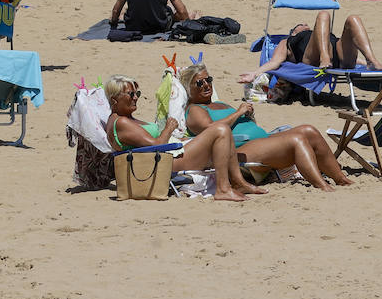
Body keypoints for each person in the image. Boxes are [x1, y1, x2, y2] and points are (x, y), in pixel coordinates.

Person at [180, 64, 351, 190]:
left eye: (208, 80)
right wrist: (238, 113)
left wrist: (248, 116)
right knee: (297, 139)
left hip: (260, 141)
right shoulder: (195, 109)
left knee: (309, 130)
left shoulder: (220, 104)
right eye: (199, 83)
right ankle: (322, 185)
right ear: (189, 89)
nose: (206, 85)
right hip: (238, 151)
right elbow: (211, 130)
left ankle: (340, 178)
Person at [103, 74, 265, 203]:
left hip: (164, 158)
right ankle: (224, 189)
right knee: (220, 129)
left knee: (222, 132)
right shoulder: (122, 122)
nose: (136, 97)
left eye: (137, 93)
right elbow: (157, 144)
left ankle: (238, 183)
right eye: (131, 94)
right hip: (162, 164)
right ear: (114, 99)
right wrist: (169, 128)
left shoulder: (122, 119)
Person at [239, 12, 382, 89]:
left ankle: (372, 60)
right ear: (293, 31)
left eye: (306, 24)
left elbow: (356, 60)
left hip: (340, 56)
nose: (305, 24)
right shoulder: (287, 41)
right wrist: (255, 73)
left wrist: (364, 63)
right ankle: (324, 57)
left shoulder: (321, 31)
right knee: (323, 15)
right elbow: (275, 62)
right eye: (301, 24)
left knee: (353, 18)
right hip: (312, 58)